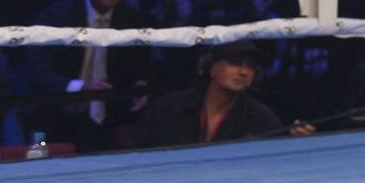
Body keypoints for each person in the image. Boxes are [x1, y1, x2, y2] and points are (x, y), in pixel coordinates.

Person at [20, 0, 155, 153]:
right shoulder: (58, 16)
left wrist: (140, 86)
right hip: (52, 111)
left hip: (107, 118)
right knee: (46, 162)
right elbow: (35, 69)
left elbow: (141, 63)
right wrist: (80, 87)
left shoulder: (131, 18)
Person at [133, 41, 314, 147]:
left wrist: (296, 145)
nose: (244, 72)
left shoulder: (262, 119)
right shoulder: (167, 108)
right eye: (234, 63)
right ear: (211, 69)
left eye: (250, 67)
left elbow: (274, 166)